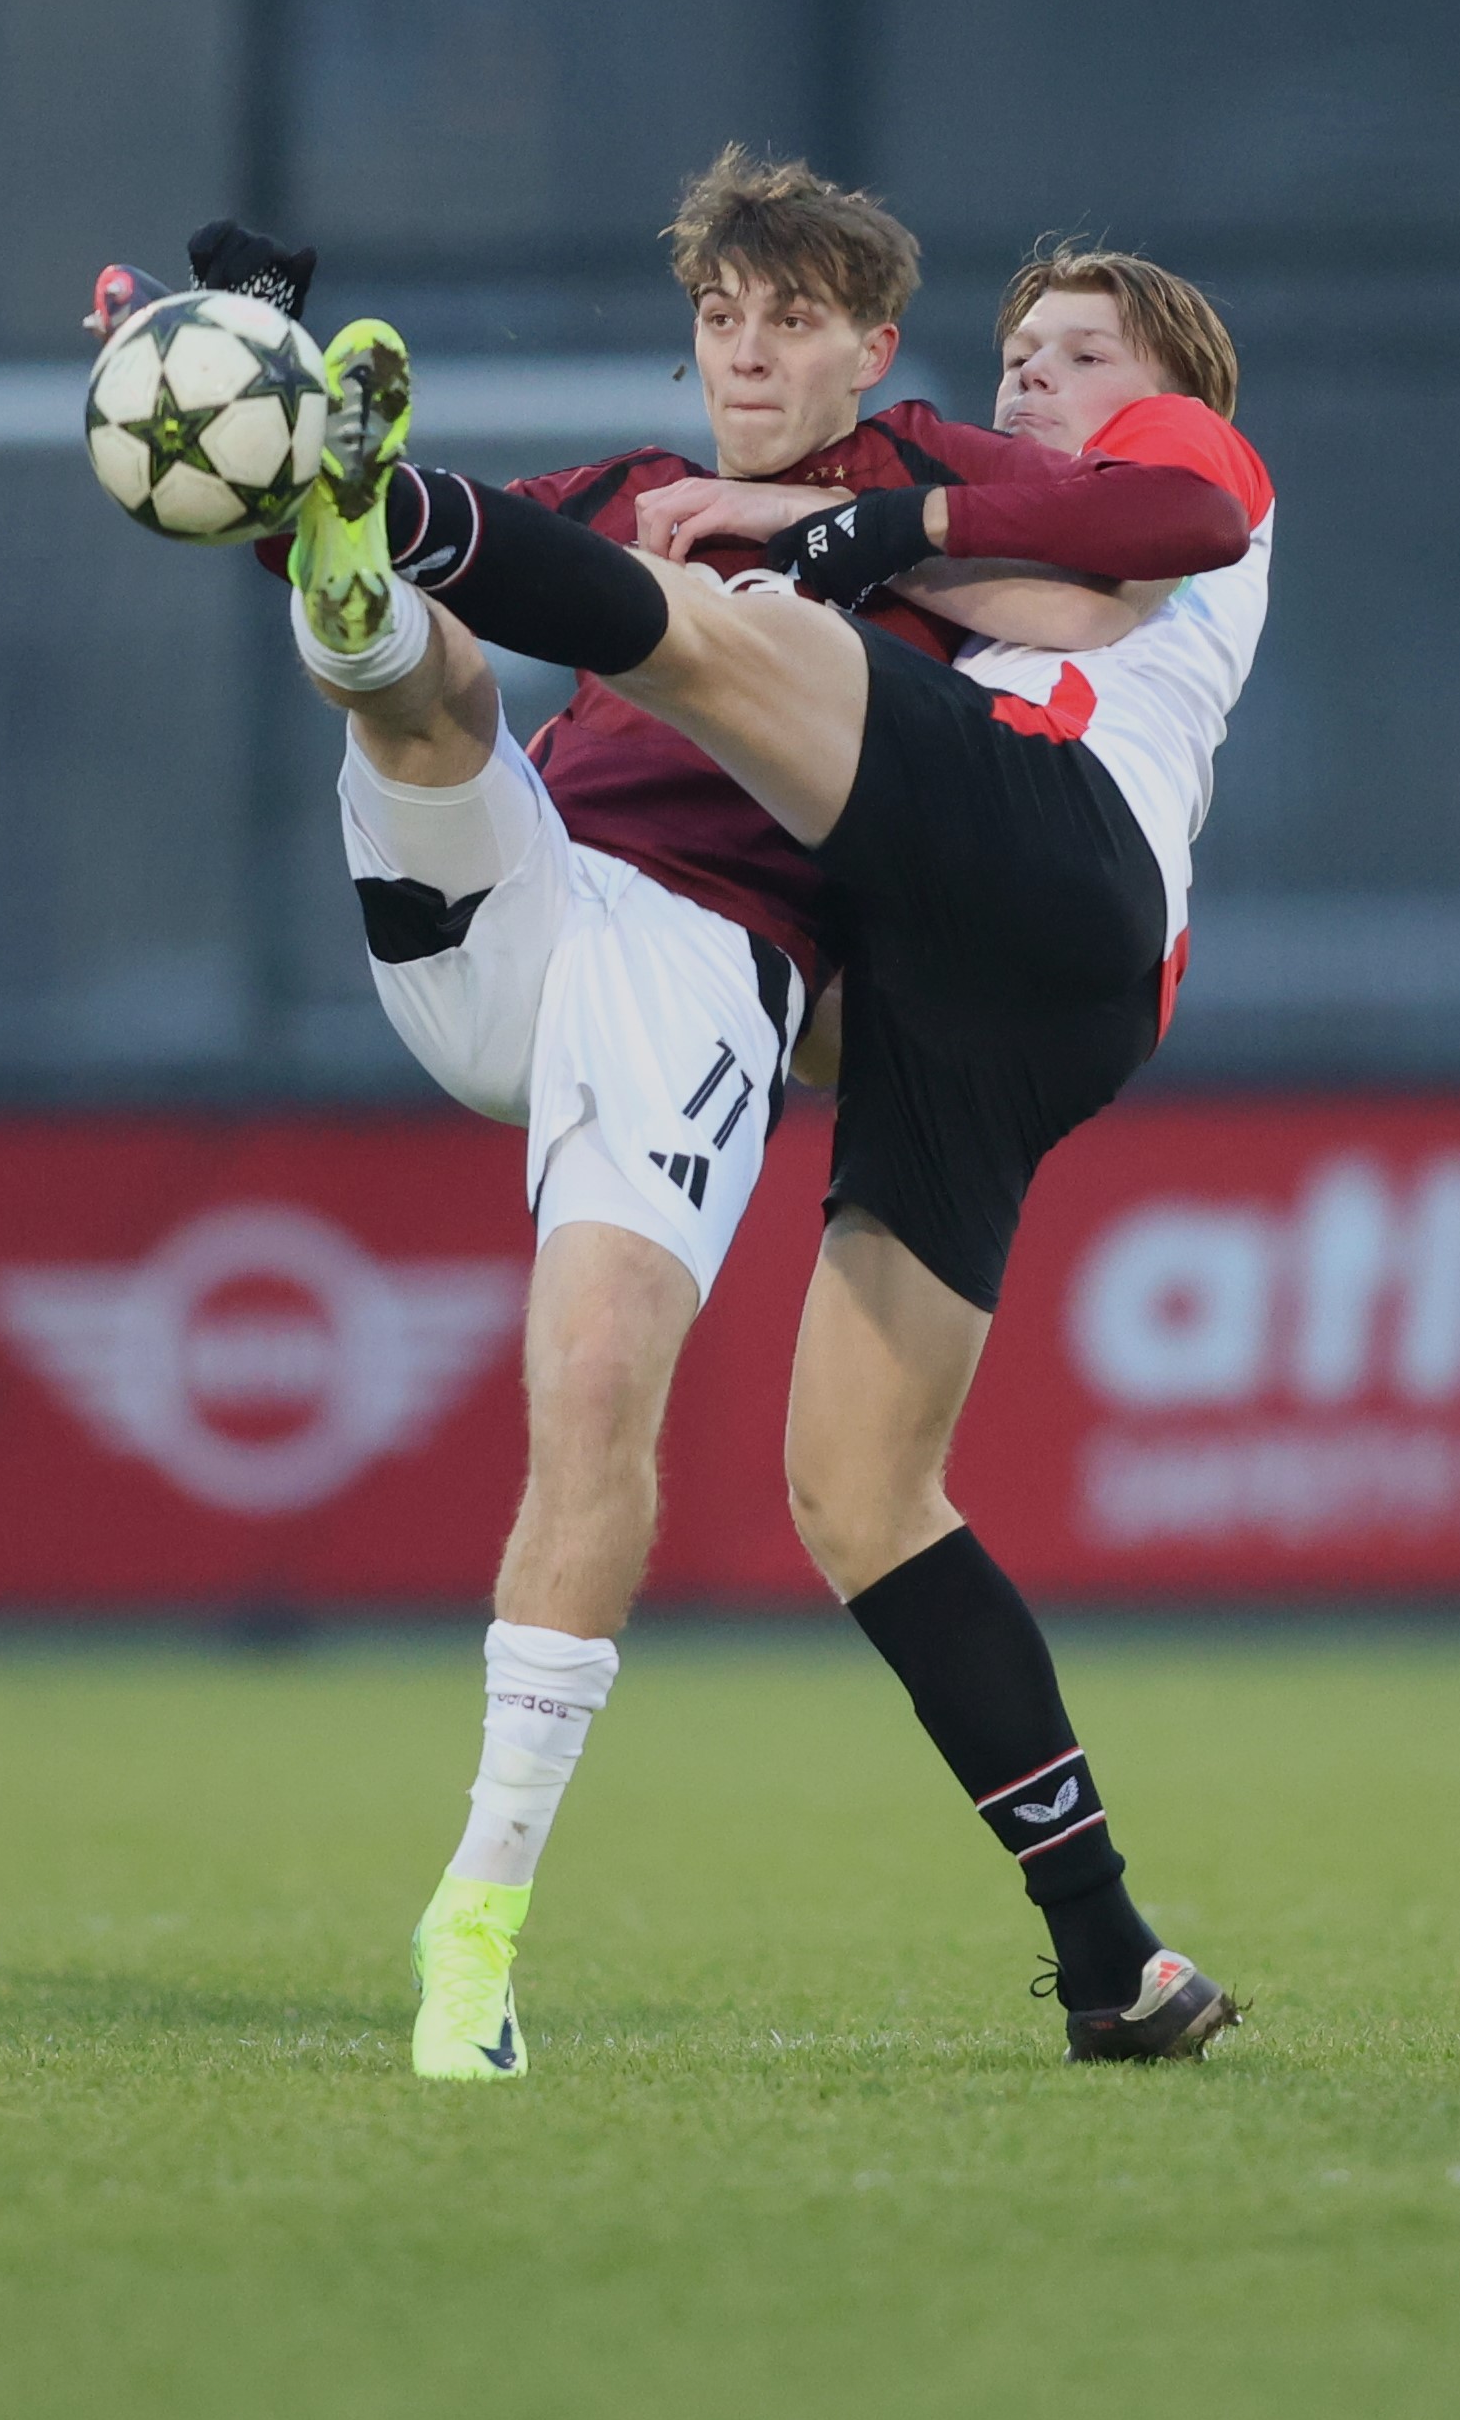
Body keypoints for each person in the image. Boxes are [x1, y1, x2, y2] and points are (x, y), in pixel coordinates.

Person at [152, 155, 1169, 2080]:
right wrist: (228, 387)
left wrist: (881, 542)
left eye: (793, 318)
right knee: (428, 663)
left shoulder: (915, 483)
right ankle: (354, 577)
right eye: (720, 317)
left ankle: (473, 1928)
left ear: (871, 344)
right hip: (510, 899)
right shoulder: (632, 488)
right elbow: (399, 530)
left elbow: (1119, 569)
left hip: (693, 956)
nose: (747, 353)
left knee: (595, 1380)